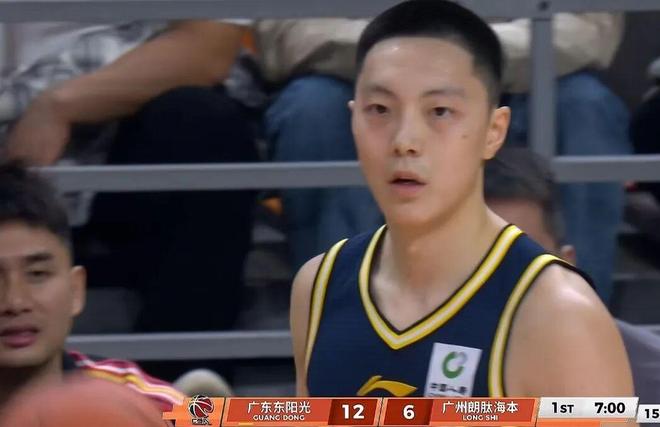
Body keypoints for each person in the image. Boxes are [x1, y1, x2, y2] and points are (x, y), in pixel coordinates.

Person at [290, 0, 633, 399]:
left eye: (440, 111)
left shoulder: (560, 313)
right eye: (379, 109)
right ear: (353, 119)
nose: (405, 140)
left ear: (494, 130)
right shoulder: (318, 285)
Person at [259, 7, 629, 302]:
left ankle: (581, 323)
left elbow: (590, 29)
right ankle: (343, 324)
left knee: (586, 107)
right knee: (314, 109)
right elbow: (288, 33)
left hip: (531, 80)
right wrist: (430, 61)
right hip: (357, 78)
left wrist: (460, 60)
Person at [0, 18, 258, 332]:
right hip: (16, 137)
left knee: (201, 122)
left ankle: (183, 358)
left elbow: (207, 50)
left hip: (136, 140)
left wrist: (55, 107)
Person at [0, 161, 183, 412]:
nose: (15, 302)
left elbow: (235, 414)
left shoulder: (130, 396)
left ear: (76, 290)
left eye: (37, 274)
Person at [484, 147, 660, 405]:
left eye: (522, 261)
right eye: (478, 263)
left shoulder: (652, 380)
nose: (499, 284)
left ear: (567, 266)